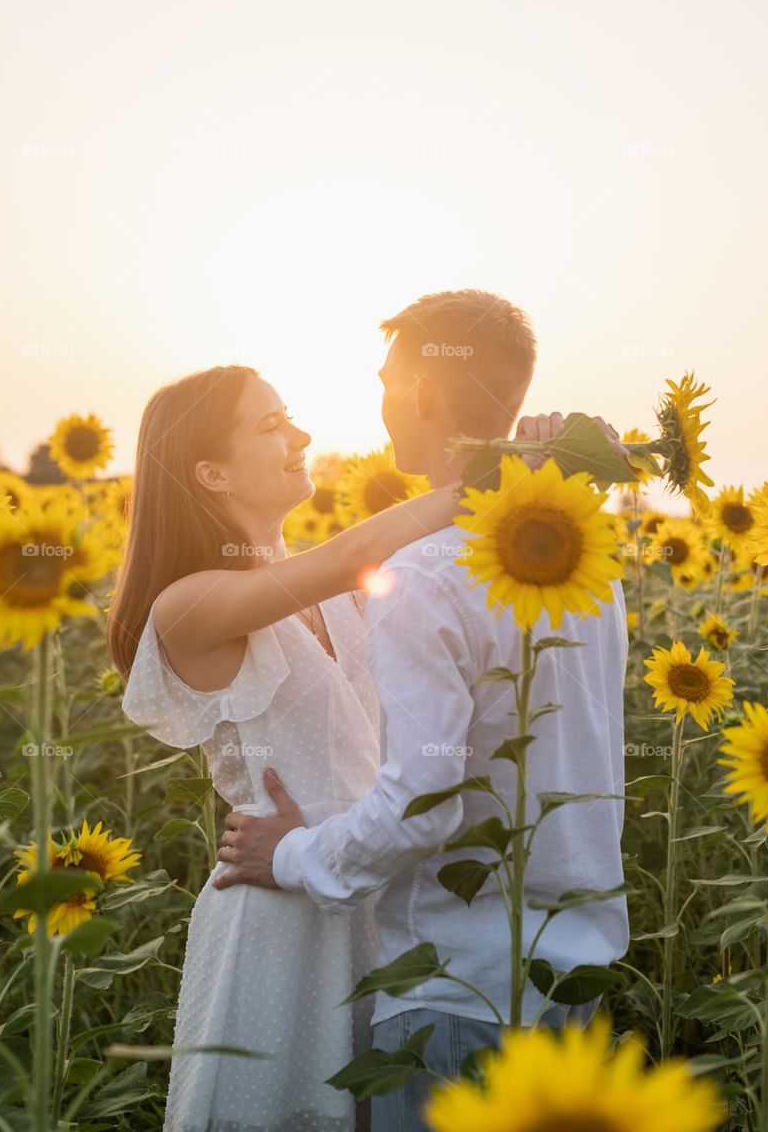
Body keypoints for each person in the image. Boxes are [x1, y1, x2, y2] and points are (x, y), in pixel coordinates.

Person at [213, 290, 630, 1132]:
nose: (379, 400)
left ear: (426, 395)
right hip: (574, 990)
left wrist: (290, 855)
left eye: (386, 379)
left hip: (456, 1001)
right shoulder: (594, 567)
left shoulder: (425, 575)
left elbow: (421, 808)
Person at [109, 362, 463, 1132]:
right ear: (208, 471)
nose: (299, 436)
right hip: (276, 924)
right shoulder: (189, 603)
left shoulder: (336, 600)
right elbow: (345, 555)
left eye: (291, 416)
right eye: (269, 426)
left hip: (363, 888)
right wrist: (490, 482)